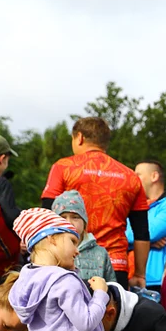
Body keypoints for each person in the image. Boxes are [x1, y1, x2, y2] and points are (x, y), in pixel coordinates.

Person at [41, 117, 150, 290]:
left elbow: (47, 215)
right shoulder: (131, 177)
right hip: (116, 263)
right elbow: (142, 232)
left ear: (80, 137)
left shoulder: (63, 167)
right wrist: (139, 274)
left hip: (70, 260)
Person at [128, 159, 166, 291]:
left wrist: (142, 240)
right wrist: (145, 242)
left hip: (160, 280)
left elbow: (149, 233)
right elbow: (121, 233)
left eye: (138, 175)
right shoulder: (136, 206)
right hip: (135, 278)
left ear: (154, 176)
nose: (133, 179)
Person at [51, 191, 116, 284]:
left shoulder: (101, 253)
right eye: (63, 217)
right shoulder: (50, 251)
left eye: (75, 217)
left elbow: (112, 287)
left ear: (84, 222)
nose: (69, 222)